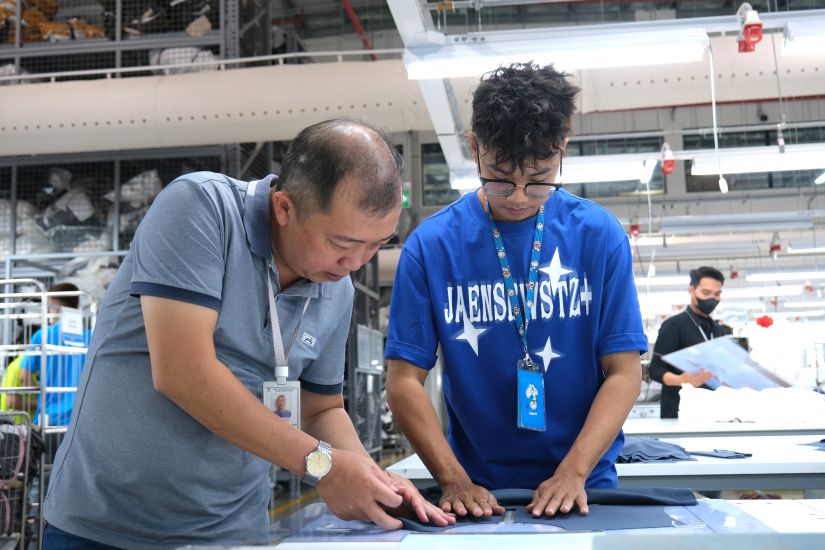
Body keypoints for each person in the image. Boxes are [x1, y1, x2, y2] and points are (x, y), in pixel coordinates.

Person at [42, 119, 453, 549]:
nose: (356, 262)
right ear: (284, 208)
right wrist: (323, 466)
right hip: (107, 528)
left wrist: (372, 481)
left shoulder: (338, 289)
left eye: (376, 245)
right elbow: (183, 372)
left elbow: (320, 408)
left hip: (233, 532)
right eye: (342, 242)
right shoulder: (201, 208)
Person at [385, 63, 647, 521]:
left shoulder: (598, 235)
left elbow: (624, 372)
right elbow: (404, 381)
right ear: (474, 148)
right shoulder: (431, 247)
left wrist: (574, 471)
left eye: (541, 178)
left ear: (562, 147)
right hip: (476, 492)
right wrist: (452, 478)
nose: (520, 197)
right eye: (501, 177)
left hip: (585, 486)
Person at [648, 266, 725, 418]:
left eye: (717, 294)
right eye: (706, 292)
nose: (712, 299)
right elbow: (655, 370)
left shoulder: (717, 329)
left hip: (712, 411)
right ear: (691, 290)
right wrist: (683, 379)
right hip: (679, 413)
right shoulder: (674, 325)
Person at [18, 282, 90, 429]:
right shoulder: (91, 337)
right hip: (82, 422)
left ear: (53, 307)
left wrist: (42, 398)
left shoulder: (42, 335)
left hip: (49, 418)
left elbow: (24, 377)